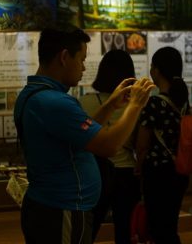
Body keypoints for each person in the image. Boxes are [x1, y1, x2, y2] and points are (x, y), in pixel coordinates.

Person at [14, 27, 155, 244]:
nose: (83, 67)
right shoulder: (55, 102)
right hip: (64, 209)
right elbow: (108, 146)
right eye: (81, 59)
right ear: (63, 57)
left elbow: (80, 136)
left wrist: (110, 105)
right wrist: (136, 104)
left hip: (50, 206)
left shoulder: (34, 95)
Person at [79, 49, 141, 244]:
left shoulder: (85, 102)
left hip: (96, 171)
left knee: (91, 224)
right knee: (124, 228)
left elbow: (82, 135)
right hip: (126, 172)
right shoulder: (134, 104)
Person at [135, 47, 191, 244]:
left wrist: (138, 168)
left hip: (157, 173)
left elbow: (142, 145)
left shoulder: (154, 103)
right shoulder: (183, 102)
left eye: (152, 66)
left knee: (158, 229)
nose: (150, 70)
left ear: (157, 70)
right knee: (169, 225)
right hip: (180, 171)